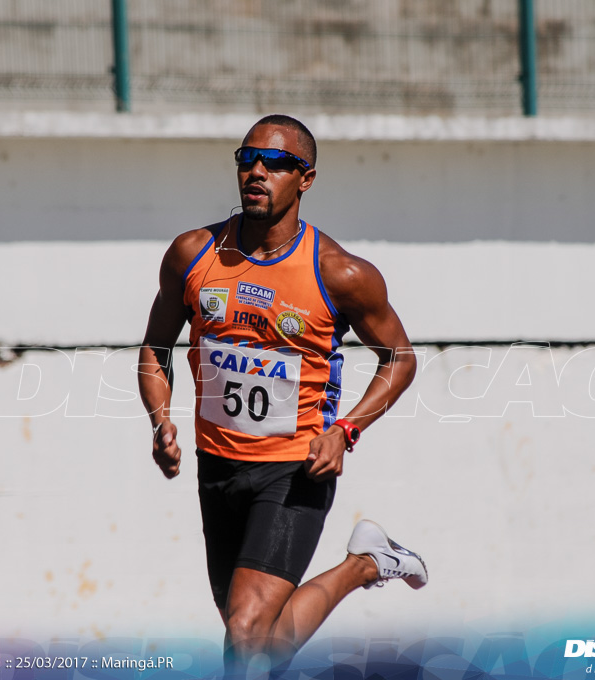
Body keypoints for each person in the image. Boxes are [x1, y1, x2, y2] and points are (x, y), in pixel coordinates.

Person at [137, 114, 426, 674]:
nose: (258, 172)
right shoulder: (193, 255)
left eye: (276, 163)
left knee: (245, 631)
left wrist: (347, 430)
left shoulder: (339, 272)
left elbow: (401, 359)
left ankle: (364, 563)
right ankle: (364, 565)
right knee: (255, 637)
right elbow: (155, 348)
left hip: (295, 470)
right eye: (248, 159)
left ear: (306, 179)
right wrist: (160, 421)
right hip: (217, 466)